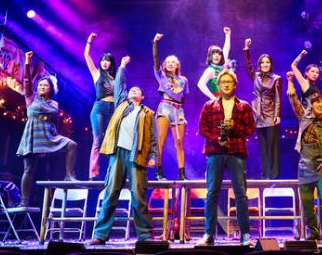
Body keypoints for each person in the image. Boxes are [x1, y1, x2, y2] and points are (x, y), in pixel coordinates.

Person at [90, 61, 157, 244]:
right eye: (132, 90)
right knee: (111, 193)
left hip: (137, 155)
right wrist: (122, 66)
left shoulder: (148, 113)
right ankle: (100, 235)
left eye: (137, 90)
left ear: (142, 96)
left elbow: (153, 137)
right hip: (118, 153)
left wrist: (153, 156)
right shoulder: (121, 104)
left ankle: (145, 235)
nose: (133, 91)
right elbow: (119, 85)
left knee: (138, 196)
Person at [196, 69, 256, 246]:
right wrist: (217, 138)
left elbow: (250, 128)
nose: (226, 84)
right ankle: (209, 235)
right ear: (219, 85)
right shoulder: (209, 106)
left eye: (230, 82)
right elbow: (202, 129)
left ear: (235, 85)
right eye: (223, 82)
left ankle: (245, 234)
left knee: (241, 194)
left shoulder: (243, 106)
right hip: (215, 152)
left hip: (236, 152)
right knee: (212, 193)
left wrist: (234, 128)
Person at [286, 72, 322, 244]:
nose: (320, 105)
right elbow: (293, 99)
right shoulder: (304, 117)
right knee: (307, 203)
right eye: (317, 102)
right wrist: (290, 81)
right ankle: (314, 233)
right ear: (311, 105)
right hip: (305, 165)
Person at [16, 51, 77, 206]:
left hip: (49, 134)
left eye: (46, 85)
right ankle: (23, 200)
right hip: (33, 134)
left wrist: (52, 141)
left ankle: (69, 176)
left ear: (51, 89)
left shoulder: (54, 104)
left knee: (72, 145)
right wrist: (27, 61)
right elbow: (26, 80)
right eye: (41, 85)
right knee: (28, 169)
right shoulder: (31, 97)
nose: (42, 87)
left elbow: (56, 122)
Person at [85, 32, 128, 180]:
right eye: (103, 60)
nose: (104, 62)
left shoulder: (115, 78)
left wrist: (123, 64)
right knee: (98, 140)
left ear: (111, 63)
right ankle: (93, 173)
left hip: (113, 109)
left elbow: (122, 88)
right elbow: (87, 56)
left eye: (107, 60)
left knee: (114, 140)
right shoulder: (96, 74)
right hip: (99, 107)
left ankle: (114, 172)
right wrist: (89, 41)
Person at [243, 38, 282, 179]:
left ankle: (274, 174)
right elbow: (248, 65)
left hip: (270, 112)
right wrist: (246, 48)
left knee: (272, 145)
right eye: (262, 62)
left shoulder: (276, 78)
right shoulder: (256, 76)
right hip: (258, 113)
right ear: (259, 64)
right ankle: (265, 174)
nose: (265, 64)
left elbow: (278, 97)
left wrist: (277, 114)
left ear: (271, 64)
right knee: (263, 146)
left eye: (267, 62)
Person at [152, 33, 189, 180]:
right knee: (161, 141)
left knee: (179, 143)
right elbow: (155, 59)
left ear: (177, 65)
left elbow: (183, 97)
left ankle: (182, 174)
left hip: (178, 110)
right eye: (168, 62)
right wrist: (155, 42)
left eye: (173, 62)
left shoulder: (184, 80)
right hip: (165, 108)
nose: (170, 63)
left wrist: (179, 109)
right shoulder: (161, 76)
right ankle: (158, 172)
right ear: (164, 65)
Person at [197, 27, 232, 100]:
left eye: (219, 54)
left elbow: (226, 50)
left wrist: (227, 35)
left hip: (228, 101)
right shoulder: (210, 70)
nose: (216, 55)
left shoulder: (222, 66)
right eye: (214, 53)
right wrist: (214, 98)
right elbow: (200, 84)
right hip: (218, 103)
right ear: (210, 56)